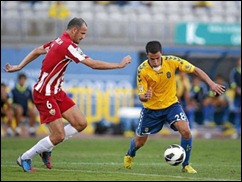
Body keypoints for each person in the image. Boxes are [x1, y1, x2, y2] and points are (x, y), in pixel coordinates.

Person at [4, 17, 131, 172]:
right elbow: (92, 64)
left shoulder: (58, 41)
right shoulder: (68, 46)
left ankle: (47, 148)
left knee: (81, 123)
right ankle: (25, 157)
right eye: (82, 33)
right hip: (45, 93)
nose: (83, 37)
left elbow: (38, 50)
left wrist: (19, 66)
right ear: (74, 30)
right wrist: (118, 65)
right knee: (58, 136)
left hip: (57, 92)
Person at [123, 41, 225, 173]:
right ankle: (130, 154)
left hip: (171, 105)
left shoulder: (171, 61)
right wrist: (146, 96)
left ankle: (186, 164)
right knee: (140, 142)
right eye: (151, 59)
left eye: (157, 58)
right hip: (151, 110)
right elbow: (141, 96)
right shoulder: (142, 70)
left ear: (161, 54)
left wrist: (211, 84)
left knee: (186, 131)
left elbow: (195, 70)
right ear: (147, 55)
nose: (155, 62)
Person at [229, 58, 241, 139]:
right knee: (237, 113)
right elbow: (232, 82)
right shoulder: (234, 71)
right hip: (237, 96)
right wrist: (237, 88)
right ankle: (237, 131)